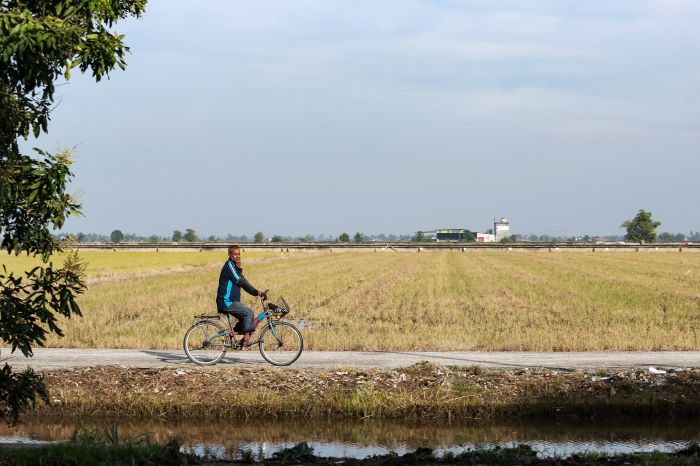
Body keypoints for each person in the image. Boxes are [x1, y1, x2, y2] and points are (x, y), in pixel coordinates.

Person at [216, 245, 266, 347]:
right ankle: (246, 340)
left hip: (232, 301)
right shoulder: (229, 266)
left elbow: (243, 283)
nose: (237, 256)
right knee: (248, 313)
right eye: (235, 254)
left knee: (245, 319)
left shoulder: (235, 267)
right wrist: (256, 292)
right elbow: (241, 281)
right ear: (229, 255)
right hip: (226, 301)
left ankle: (232, 333)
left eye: (239, 254)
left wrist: (257, 293)